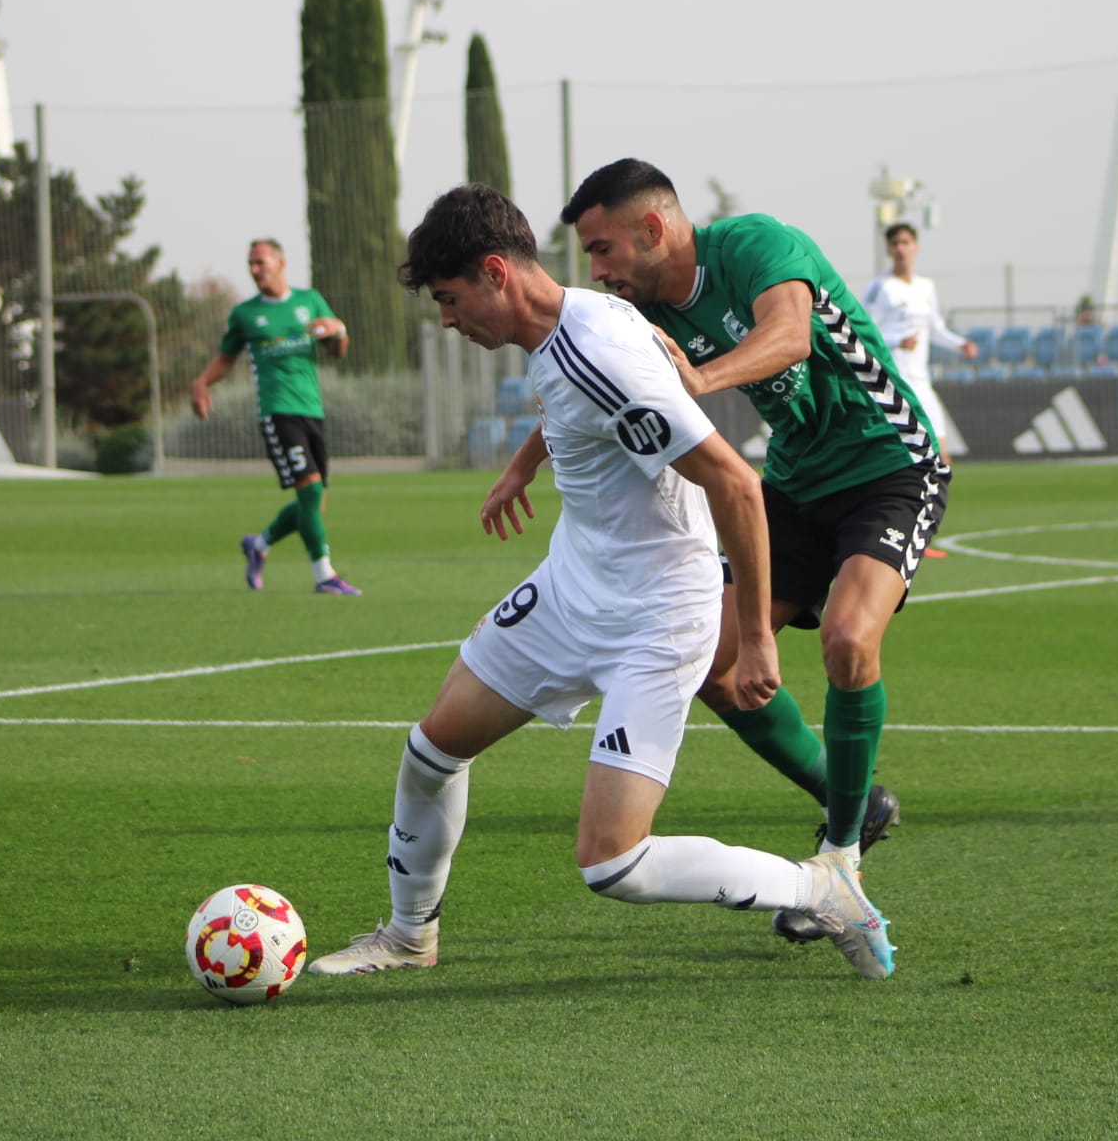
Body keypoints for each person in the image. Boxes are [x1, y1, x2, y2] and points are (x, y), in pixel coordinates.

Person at [307, 184, 894, 980]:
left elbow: (735, 484)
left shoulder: (600, 347)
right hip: (570, 592)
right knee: (431, 750)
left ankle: (821, 888)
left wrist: (754, 640)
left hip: (658, 618)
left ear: (494, 274)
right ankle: (409, 938)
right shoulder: (571, 328)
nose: (446, 318)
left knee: (611, 863)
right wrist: (524, 465)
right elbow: (576, 407)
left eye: (449, 299)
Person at [563, 159, 948, 943]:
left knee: (847, 640)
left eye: (602, 250)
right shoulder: (639, 314)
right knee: (717, 665)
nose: (598, 272)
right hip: (798, 485)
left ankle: (839, 858)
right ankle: (855, 800)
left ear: (654, 228)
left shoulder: (755, 245)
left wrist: (700, 379)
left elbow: (789, 335)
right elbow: (592, 389)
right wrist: (522, 465)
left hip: (890, 466)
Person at [191, 238, 359, 595]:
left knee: (312, 501)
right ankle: (324, 576)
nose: (255, 270)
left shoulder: (309, 301)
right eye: (250, 264)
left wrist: (339, 329)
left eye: (261, 262)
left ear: (280, 263)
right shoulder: (245, 314)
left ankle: (259, 545)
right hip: (277, 411)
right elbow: (226, 358)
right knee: (311, 492)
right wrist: (203, 382)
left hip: (312, 409)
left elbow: (338, 351)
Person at [858, 222, 977, 467]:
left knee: (941, 453)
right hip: (892, 377)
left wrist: (960, 344)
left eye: (905, 243)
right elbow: (866, 332)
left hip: (920, 378)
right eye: (895, 244)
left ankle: (934, 500)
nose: (900, 249)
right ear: (888, 250)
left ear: (916, 247)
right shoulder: (881, 287)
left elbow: (936, 329)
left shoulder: (926, 286)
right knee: (897, 451)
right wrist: (898, 342)